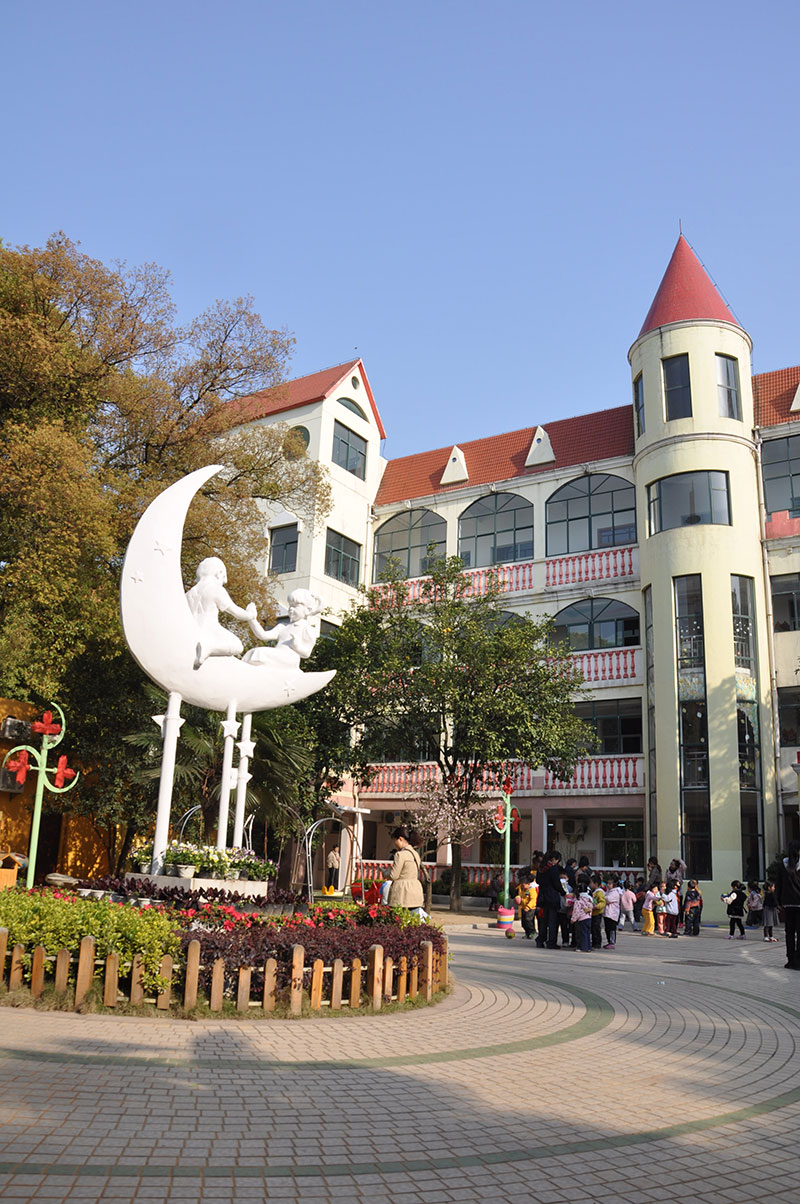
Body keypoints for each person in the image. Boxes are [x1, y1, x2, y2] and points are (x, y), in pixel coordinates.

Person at [186, 556, 257, 669]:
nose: (225, 581)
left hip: (191, 630)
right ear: (218, 573)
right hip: (210, 629)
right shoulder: (215, 589)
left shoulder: (189, 593)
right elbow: (236, 612)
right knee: (237, 646)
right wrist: (251, 615)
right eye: (224, 576)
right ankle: (209, 647)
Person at [244, 589, 324, 667]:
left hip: (290, 659)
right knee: (252, 652)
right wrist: (252, 619)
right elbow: (263, 635)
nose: (291, 608)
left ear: (308, 610)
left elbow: (306, 653)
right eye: (290, 606)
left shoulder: (308, 629)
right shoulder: (282, 626)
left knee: (259, 653)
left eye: (295, 606)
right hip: (278, 655)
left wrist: (296, 645)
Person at [388, 826, 426, 917]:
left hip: (402, 892)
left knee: (399, 919)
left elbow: (394, 875)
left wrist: (385, 873)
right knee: (413, 920)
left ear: (400, 839)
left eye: (395, 841)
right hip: (415, 891)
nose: (395, 844)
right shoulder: (415, 854)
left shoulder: (400, 855)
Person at [776, 840, 800, 969]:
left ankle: (790, 960)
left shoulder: (783, 864)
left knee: (789, 933)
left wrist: (778, 902)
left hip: (787, 903)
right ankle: (798, 960)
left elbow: (778, 884)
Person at [536, 851, 566, 949]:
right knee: (553, 921)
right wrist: (563, 893)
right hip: (552, 897)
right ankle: (551, 942)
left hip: (543, 896)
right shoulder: (553, 869)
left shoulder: (541, 868)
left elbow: (538, 881)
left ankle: (540, 940)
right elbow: (557, 884)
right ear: (554, 859)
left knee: (544, 920)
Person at [515, 872, 538, 939]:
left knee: (529, 920)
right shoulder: (522, 890)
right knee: (524, 923)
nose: (522, 886)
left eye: (523, 885)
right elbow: (521, 897)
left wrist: (528, 907)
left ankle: (533, 932)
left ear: (528, 884)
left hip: (530, 908)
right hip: (523, 907)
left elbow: (533, 899)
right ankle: (527, 933)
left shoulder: (531, 890)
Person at [571, 883, 593, 952]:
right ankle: (588, 947)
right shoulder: (589, 899)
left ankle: (582, 947)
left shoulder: (578, 900)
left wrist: (573, 919)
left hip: (581, 919)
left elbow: (576, 911)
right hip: (588, 918)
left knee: (581, 934)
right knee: (587, 933)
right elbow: (591, 907)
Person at [603, 874, 621, 949]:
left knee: (611, 929)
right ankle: (609, 941)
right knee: (607, 928)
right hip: (607, 913)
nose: (608, 885)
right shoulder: (609, 891)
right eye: (607, 883)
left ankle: (612, 942)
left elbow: (608, 899)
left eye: (610, 883)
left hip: (612, 914)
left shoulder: (615, 892)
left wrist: (603, 897)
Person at [589, 875, 606, 949]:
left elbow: (603, 902)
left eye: (591, 883)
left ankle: (597, 943)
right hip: (593, 913)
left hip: (597, 913)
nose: (590, 884)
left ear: (596, 884)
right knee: (593, 928)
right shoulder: (593, 892)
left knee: (596, 928)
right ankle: (594, 942)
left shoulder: (599, 892)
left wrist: (597, 906)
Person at [762, 879, 779, 943]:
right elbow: (768, 903)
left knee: (771, 924)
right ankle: (766, 936)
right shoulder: (768, 894)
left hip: (772, 909)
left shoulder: (773, 894)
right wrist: (777, 906)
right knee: (767, 923)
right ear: (769, 888)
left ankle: (771, 936)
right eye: (773, 887)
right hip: (768, 909)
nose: (774, 888)